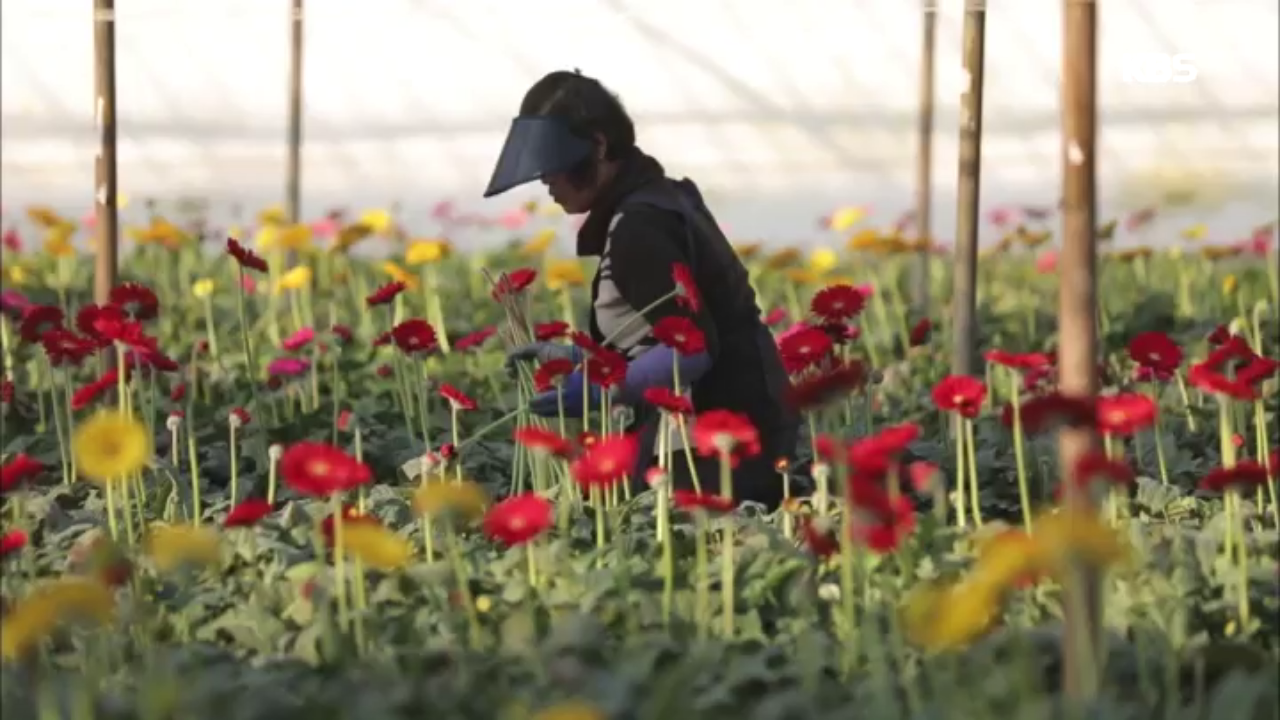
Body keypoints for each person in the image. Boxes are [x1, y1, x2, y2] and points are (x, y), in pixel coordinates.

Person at [485, 70, 799, 509]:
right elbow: (667, 327)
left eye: (555, 161)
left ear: (598, 145)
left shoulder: (640, 226)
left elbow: (693, 347)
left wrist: (603, 387)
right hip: (751, 421)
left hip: (724, 442)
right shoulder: (660, 197)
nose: (545, 179)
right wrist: (580, 359)